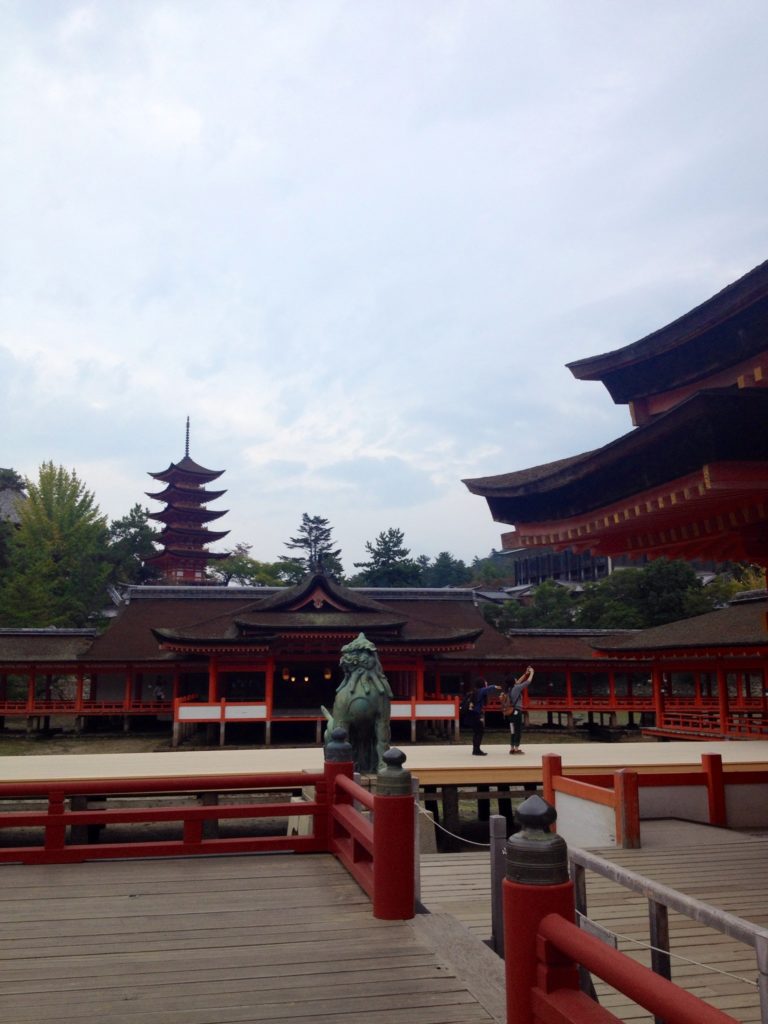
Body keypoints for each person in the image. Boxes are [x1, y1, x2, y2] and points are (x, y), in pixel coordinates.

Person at [461, 678, 502, 756]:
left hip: (472, 714)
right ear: (482, 684)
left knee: (476, 732)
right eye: (485, 683)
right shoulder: (480, 691)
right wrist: (495, 686)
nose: (486, 684)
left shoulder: (474, 691)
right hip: (476, 714)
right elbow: (487, 689)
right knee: (480, 732)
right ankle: (477, 750)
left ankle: (475, 749)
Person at [501, 665, 534, 754]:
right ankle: (516, 748)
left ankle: (512, 747)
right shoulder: (516, 688)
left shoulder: (508, 689)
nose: (516, 679)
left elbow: (518, 681)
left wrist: (525, 674)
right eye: (515, 679)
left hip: (509, 713)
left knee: (512, 730)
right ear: (513, 681)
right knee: (518, 729)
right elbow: (528, 682)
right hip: (516, 712)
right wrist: (532, 673)